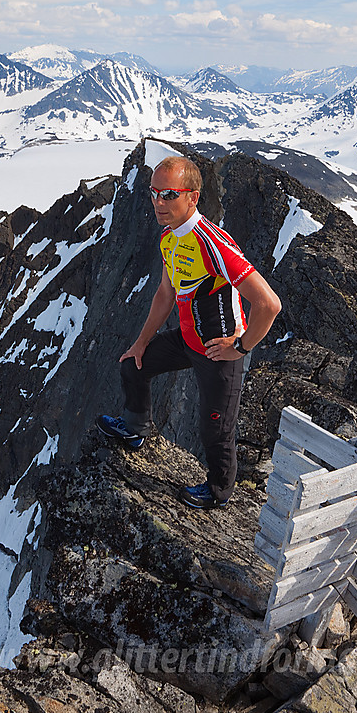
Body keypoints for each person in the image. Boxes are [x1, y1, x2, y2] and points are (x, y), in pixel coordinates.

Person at [97, 155, 281, 509]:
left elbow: (269, 304)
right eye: (154, 193)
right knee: (132, 364)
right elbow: (166, 294)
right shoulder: (169, 238)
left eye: (169, 195)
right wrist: (141, 342)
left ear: (193, 197)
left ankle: (219, 492)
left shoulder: (213, 244)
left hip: (218, 350)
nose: (158, 203)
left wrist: (240, 348)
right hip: (188, 340)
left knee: (215, 429)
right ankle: (136, 428)